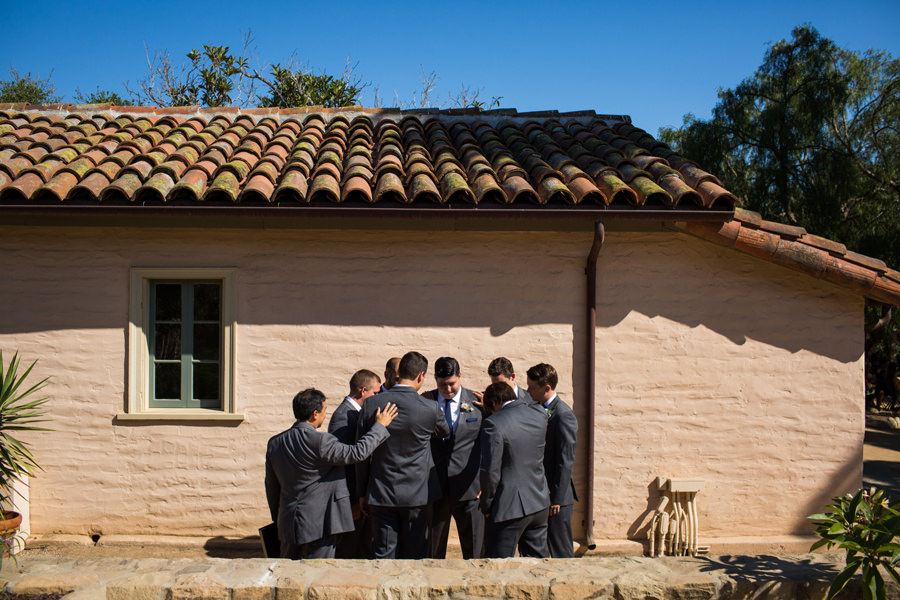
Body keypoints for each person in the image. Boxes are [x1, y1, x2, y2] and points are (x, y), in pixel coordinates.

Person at [265, 388, 397, 559]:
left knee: (285, 574)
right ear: (315, 414)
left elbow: (271, 487)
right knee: (317, 576)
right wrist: (380, 426)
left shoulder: (275, 443)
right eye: (324, 410)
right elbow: (357, 453)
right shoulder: (321, 442)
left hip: (288, 522)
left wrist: (278, 517)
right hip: (319, 523)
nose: (325, 415)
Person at [356, 351, 450, 558]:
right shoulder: (430, 408)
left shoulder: (372, 404)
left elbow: (362, 453)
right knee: (415, 554)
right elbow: (444, 431)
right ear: (421, 376)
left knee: (384, 554)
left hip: (381, 490)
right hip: (418, 493)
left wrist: (362, 492)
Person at [422, 357, 484, 559]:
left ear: (460, 376)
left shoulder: (477, 402)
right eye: (442, 384)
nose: (448, 389)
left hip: (469, 487)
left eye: (452, 384)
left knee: (474, 549)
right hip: (435, 486)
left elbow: (489, 444)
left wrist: (486, 482)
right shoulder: (426, 401)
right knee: (432, 549)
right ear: (435, 379)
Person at [479, 382, 550, 558]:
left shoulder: (494, 423)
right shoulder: (539, 414)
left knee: (499, 566)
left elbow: (490, 471)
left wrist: (487, 505)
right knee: (536, 564)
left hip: (508, 507)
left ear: (494, 404)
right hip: (539, 501)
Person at [328, 369, 381, 558]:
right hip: (350, 499)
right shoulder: (344, 416)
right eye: (375, 393)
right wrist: (352, 500)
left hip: (360, 497)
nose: (377, 397)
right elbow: (342, 462)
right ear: (363, 391)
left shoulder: (355, 413)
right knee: (349, 549)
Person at [527, 363, 578, 558]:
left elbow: (565, 459)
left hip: (557, 496)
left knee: (560, 548)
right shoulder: (536, 408)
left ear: (547, 388)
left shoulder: (563, 415)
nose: (529, 391)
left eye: (532, 388)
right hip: (541, 490)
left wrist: (556, 497)